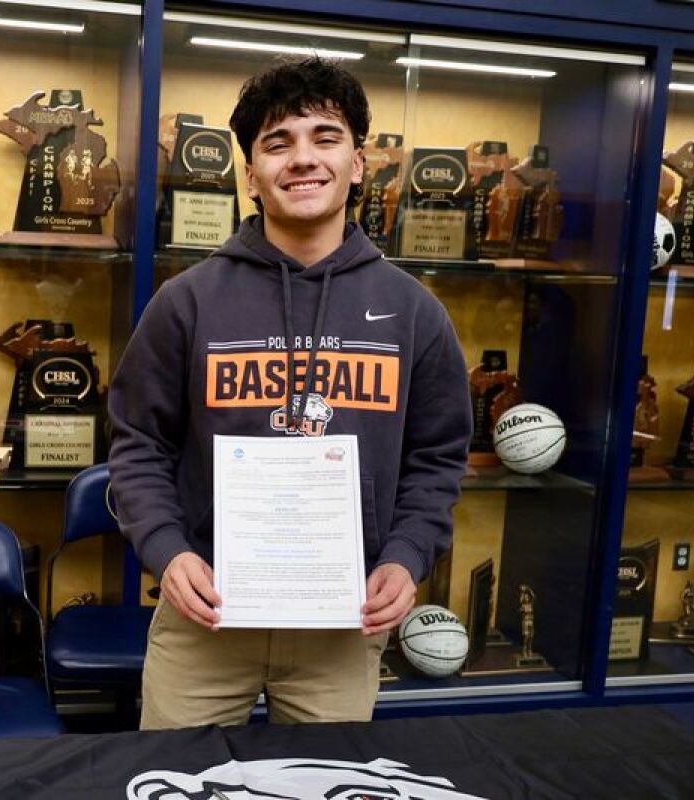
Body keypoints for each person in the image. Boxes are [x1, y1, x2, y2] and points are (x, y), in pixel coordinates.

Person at [108, 57, 471, 730]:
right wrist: (168, 548)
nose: (302, 158)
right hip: (205, 617)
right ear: (251, 175)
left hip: (343, 623)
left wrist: (407, 555)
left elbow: (438, 455)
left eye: (324, 137)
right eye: (278, 143)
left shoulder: (413, 311)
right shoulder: (185, 303)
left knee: (321, 782)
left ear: (359, 163)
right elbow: (139, 445)